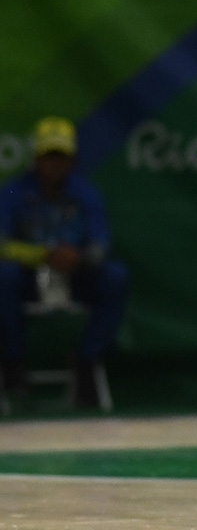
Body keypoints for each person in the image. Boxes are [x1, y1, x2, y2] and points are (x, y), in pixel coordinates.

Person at [0, 116, 129, 409]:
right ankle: (14, 362)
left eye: (61, 157)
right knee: (3, 276)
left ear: (72, 160)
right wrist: (41, 256)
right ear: (35, 158)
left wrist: (79, 257)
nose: (54, 164)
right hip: (28, 277)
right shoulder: (12, 193)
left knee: (115, 277)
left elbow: (101, 245)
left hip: (75, 275)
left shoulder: (86, 194)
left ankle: (86, 359)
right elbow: (2, 245)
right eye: (48, 156)